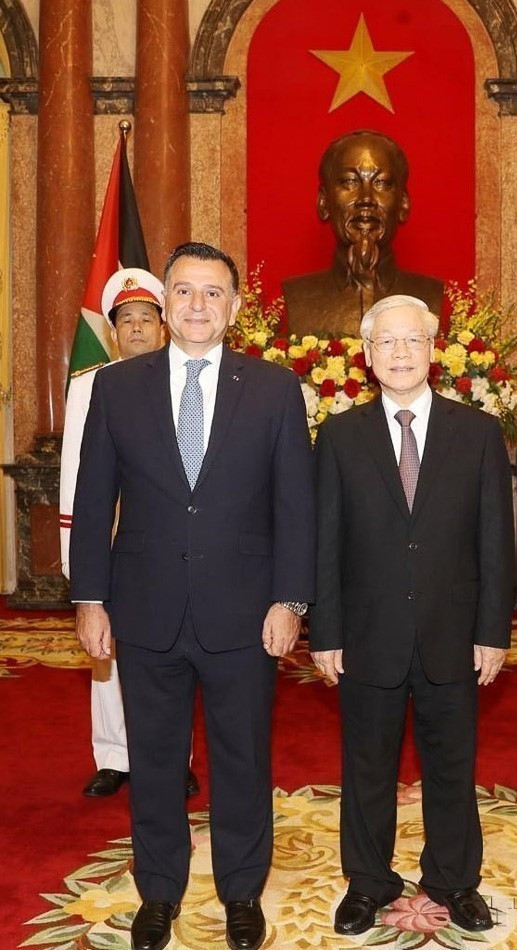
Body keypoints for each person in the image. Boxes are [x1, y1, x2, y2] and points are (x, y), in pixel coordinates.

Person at [70, 242, 315, 950]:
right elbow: (93, 502)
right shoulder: (116, 388)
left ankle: (242, 892)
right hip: (143, 607)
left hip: (245, 611)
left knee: (243, 758)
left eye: (213, 293)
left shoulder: (272, 389)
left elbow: (295, 507)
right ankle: (160, 892)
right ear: (164, 302)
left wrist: (289, 601)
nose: (197, 305)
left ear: (235, 308)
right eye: (184, 291)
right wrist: (90, 598)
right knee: (153, 758)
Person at [310, 294, 514, 936]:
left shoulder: (477, 433)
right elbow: (327, 542)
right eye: (386, 343)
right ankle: (368, 882)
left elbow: (496, 542)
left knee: (452, 766)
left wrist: (492, 631)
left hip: (453, 635)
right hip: (368, 636)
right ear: (367, 356)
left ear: (434, 351)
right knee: (366, 766)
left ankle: (455, 879)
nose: (400, 353)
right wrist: (328, 632)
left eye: (413, 341)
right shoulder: (340, 436)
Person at [60, 267, 199, 800]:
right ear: (112, 331)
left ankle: (173, 757)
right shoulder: (89, 387)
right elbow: (79, 470)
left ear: (163, 327)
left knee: (176, 648)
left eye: (147, 318)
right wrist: (80, 556)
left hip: (166, 545)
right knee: (105, 651)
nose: (137, 329)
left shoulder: (182, 377)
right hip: (109, 542)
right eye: (126, 320)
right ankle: (113, 755)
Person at [283, 130, 444, 338]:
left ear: (403, 203)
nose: (366, 199)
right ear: (323, 202)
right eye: (350, 182)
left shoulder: (429, 294)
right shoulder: (299, 296)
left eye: (382, 183)